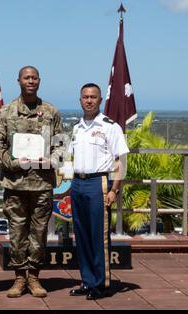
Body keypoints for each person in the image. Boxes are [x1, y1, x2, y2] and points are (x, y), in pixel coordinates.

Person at [0, 66, 64, 298]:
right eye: (27, 78)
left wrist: (50, 160)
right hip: (15, 184)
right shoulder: (6, 112)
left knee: (40, 232)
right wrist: (14, 164)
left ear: (39, 81)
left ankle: (34, 277)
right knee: (16, 233)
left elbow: (61, 147)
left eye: (34, 78)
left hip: (42, 184)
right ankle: (18, 278)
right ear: (19, 81)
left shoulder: (51, 112)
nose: (30, 81)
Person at [69, 83, 129, 300]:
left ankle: (101, 284)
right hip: (77, 184)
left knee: (99, 236)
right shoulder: (76, 128)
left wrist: (115, 189)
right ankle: (87, 281)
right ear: (80, 100)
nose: (89, 100)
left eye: (93, 97)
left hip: (98, 184)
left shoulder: (110, 126)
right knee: (82, 235)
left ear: (100, 100)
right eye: (85, 97)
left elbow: (121, 159)